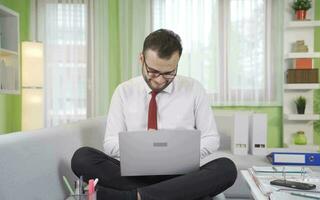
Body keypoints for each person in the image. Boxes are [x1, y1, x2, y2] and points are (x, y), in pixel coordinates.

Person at [71, 29, 237, 200]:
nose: (159, 80)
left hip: (180, 175)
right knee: (82, 158)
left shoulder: (194, 89)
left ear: (178, 62)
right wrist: (142, 149)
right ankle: (175, 194)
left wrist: (178, 153)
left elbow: (211, 138)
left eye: (169, 73)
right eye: (153, 71)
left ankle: (132, 196)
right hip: (135, 174)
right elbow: (110, 143)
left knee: (226, 168)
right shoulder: (124, 91)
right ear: (141, 59)